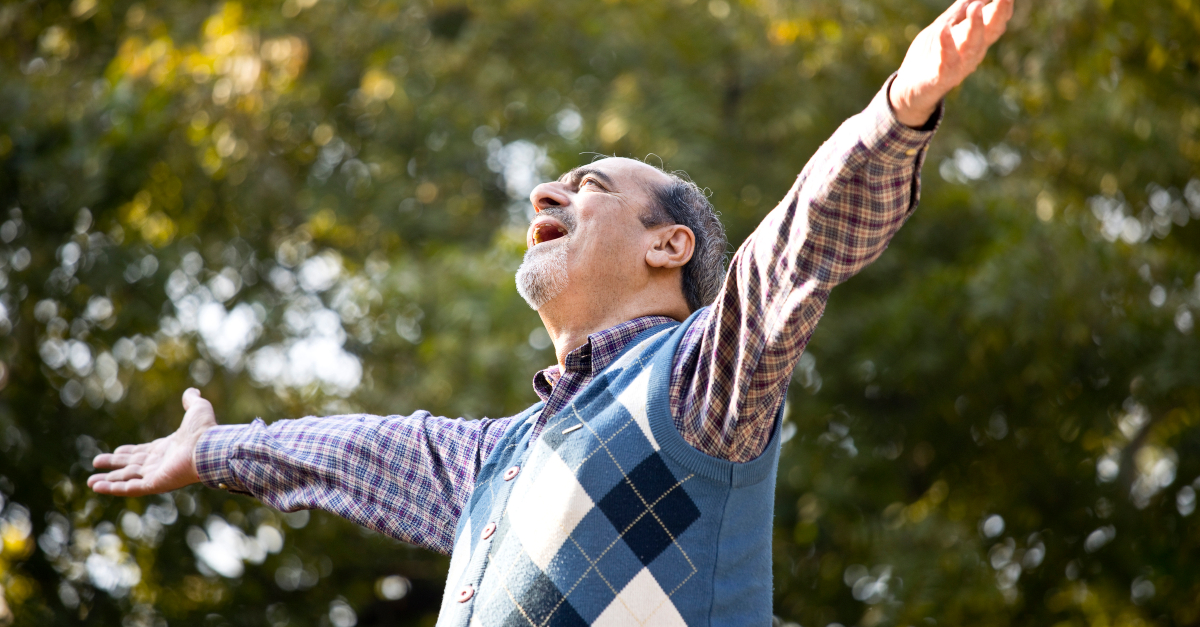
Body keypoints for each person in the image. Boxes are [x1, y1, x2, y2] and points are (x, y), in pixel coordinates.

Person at [88, 1, 1014, 624]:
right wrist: (210, 450)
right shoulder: (495, 460)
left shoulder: (699, 383)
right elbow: (353, 451)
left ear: (669, 246)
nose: (544, 189)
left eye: (591, 185)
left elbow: (793, 256)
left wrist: (899, 109)